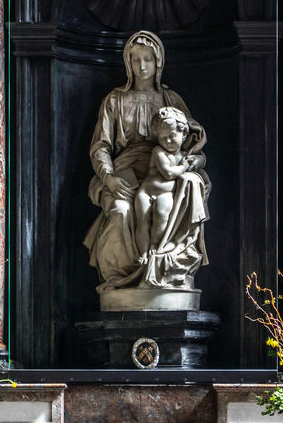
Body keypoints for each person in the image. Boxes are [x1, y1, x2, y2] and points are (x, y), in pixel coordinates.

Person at [84, 30, 209, 295]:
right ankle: (122, 279)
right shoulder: (115, 100)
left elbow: (192, 134)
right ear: (128, 63)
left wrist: (194, 158)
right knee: (120, 211)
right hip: (124, 172)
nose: (142, 66)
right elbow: (101, 146)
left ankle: (162, 269)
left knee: (173, 202)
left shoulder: (170, 99)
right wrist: (108, 178)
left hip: (165, 174)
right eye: (136, 59)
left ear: (158, 62)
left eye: (148, 60)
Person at [135, 106, 203, 262]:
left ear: (184, 133)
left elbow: (199, 160)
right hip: (145, 193)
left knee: (161, 215)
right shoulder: (158, 152)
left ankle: (154, 246)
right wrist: (184, 166)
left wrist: (199, 160)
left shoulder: (185, 155)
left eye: (172, 135)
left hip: (166, 194)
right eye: (163, 137)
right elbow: (168, 173)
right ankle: (143, 253)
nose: (168, 141)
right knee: (143, 222)